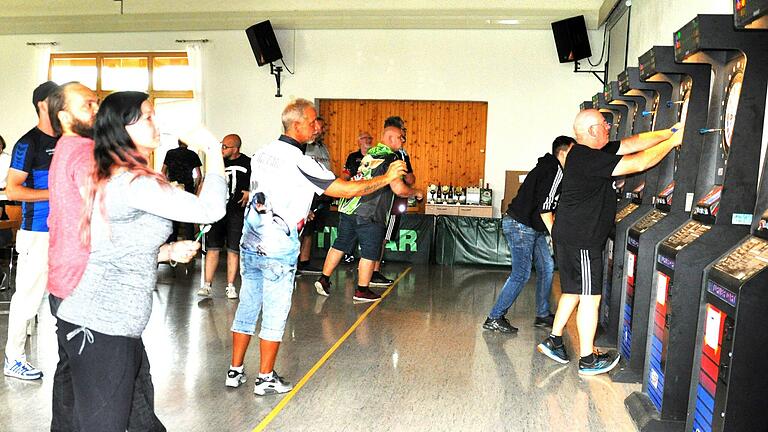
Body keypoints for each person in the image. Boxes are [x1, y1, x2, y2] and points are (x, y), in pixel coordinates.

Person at [55, 91, 226, 431]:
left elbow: (110, 243)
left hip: (111, 323)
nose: (156, 122)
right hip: (102, 325)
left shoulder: (118, 174)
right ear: (122, 128)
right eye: (147, 116)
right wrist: (214, 148)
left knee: (134, 418)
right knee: (106, 424)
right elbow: (210, 209)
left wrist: (165, 252)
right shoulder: (133, 181)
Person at [226, 98, 407, 395]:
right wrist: (386, 178)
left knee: (247, 306)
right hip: (277, 247)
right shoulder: (300, 161)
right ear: (296, 125)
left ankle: (235, 371)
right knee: (274, 313)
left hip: (251, 243)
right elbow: (345, 190)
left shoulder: (261, 154)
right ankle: (265, 377)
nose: (316, 127)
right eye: (312, 122)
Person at [537, 109, 683, 376]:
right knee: (591, 298)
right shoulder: (585, 158)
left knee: (573, 291)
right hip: (582, 240)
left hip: (570, 236)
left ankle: (554, 340)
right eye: (604, 124)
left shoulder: (591, 153)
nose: (608, 127)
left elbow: (632, 143)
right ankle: (588, 359)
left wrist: (670, 132)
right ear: (591, 131)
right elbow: (636, 163)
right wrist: (673, 143)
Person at [314, 125, 422, 302]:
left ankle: (324, 278)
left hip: (349, 207)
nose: (403, 141)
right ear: (390, 138)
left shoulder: (371, 153)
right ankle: (362, 290)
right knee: (370, 251)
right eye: (401, 137)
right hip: (370, 211)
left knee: (340, 243)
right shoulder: (392, 157)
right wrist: (416, 192)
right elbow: (399, 189)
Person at [483, 136, 574, 334]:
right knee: (521, 274)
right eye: (574, 153)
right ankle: (495, 317)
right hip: (521, 226)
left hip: (531, 227)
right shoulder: (555, 171)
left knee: (546, 267)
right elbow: (545, 208)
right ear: (564, 152)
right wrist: (556, 235)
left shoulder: (549, 168)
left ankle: (542, 314)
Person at [3, 81, 59, 381]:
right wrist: (56, 192)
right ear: (42, 104)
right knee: (28, 297)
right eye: (57, 98)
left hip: (67, 232)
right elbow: (13, 189)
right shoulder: (29, 143)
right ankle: (14, 358)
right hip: (37, 232)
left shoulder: (67, 139)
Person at [198, 133, 250, 299]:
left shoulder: (248, 163)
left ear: (235, 148)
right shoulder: (216, 164)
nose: (222, 149)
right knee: (213, 248)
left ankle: (230, 286)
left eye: (225, 147)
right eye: (221, 145)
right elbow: (206, 183)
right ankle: (206, 285)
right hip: (217, 211)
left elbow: (259, 184)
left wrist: (251, 192)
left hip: (236, 212)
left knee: (233, 250)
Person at [370, 115, 416, 286]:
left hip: (377, 201)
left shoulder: (375, 151)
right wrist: (414, 190)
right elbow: (409, 180)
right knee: (380, 236)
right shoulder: (396, 155)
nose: (404, 136)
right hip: (390, 201)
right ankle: (373, 272)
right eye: (402, 131)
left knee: (378, 235)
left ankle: (372, 270)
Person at [296, 115, 332, 275]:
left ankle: (304, 262)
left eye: (323, 128)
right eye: (319, 127)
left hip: (321, 193)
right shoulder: (304, 146)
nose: (322, 130)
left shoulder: (323, 147)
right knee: (300, 228)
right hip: (307, 191)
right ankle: (294, 263)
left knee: (311, 230)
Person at [340, 131, 374, 263]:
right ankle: (348, 253)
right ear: (359, 141)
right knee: (351, 225)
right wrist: (342, 187)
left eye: (370, 138)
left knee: (367, 227)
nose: (368, 140)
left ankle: (370, 257)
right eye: (365, 138)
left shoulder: (374, 156)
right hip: (354, 195)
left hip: (369, 197)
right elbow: (345, 174)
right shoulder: (353, 157)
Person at [162, 139, 202, 240]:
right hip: (188, 187)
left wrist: (168, 185)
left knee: (173, 215)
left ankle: (172, 242)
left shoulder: (170, 153)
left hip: (174, 187)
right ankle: (190, 241)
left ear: (178, 142)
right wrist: (196, 189)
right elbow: (199, 176)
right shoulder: (193, 154)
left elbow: (163, 172)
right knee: (189, 217)